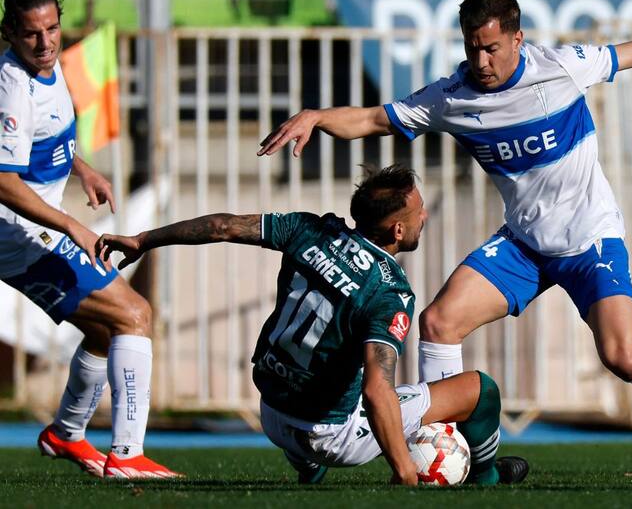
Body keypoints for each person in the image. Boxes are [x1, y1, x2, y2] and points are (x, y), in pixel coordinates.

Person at [256, 0, 632, 475]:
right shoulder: (453, 97)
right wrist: (318, 117)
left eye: (492, 48)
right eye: (471, 49)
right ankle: (457, 452)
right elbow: (374, 119)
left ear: (518, 39)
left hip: (589, 240)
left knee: (623, 357)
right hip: (523, 244)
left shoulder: (559, 68)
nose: (481, 61)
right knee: (438, 322)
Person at [96, 164, 529, 485]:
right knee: (480, 390)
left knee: (329, 370)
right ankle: (484, 479)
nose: (425, 217)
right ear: (398, 230)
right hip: (329, 433)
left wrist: (142, 240)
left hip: (270, 409)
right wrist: (404, 474)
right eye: (419, 213)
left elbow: (221, 226)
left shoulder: (308, 229)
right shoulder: (389, 291)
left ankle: (307, 465)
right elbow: (378, 391)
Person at [0, 0, 178, 478]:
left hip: (33, 229)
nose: (45, 42)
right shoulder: (12, 87)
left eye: (52, 29)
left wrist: (82, 168)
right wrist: (72, 226)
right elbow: (5, 181)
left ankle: (66, 434)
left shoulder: (49, 69)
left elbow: (46, 139)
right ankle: (126, 455)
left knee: (104, 328)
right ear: (10, 33)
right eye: (32, 34)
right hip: (17, 236)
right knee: (134, 314)